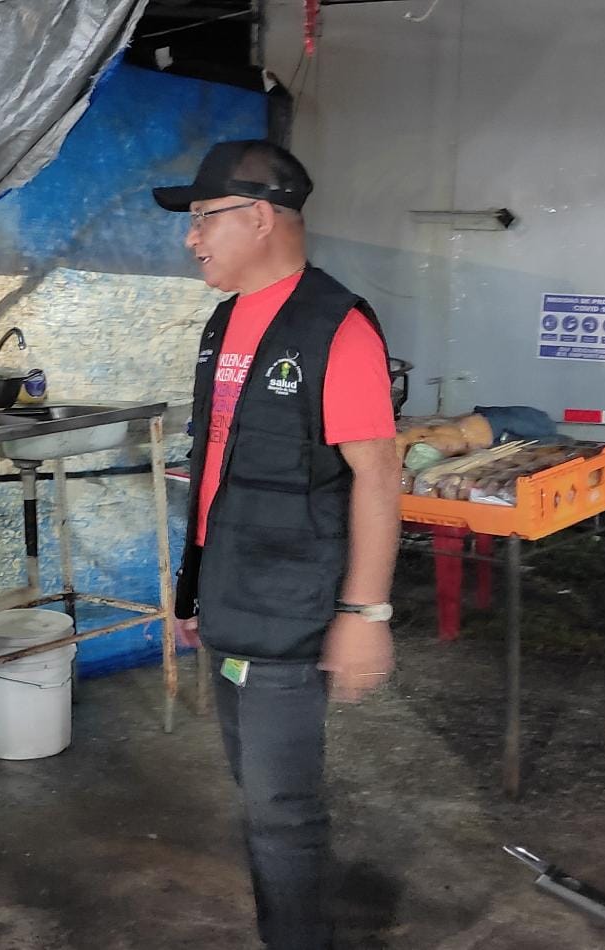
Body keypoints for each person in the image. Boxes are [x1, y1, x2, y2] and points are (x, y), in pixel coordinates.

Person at [152, 140, 400, 949]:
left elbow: (377, 477)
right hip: (233, 597)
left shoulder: (337, 327)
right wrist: (194, 591)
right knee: (255, 791)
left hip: (292, 607)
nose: (192, 237)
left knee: (281, 809)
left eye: (204, 218)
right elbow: (217, 468)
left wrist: (364, 612)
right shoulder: (225, 321)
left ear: (259, 217)